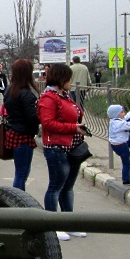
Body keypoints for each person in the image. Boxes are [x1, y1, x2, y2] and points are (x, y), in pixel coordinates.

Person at [36, 62, 87, 241]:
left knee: (67, 187)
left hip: (71, 147)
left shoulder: (63, 95)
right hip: (56, 147)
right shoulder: (48, 98)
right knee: (56, 187)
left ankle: (68, 223)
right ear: (61, 78)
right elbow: (47, 123)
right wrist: (73, 127)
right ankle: (52, 225)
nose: (71, 82)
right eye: (69, 78)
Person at [3, 59, 39, 191]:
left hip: (13, 132)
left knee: (20, 172)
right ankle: (18, 201)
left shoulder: (9, 91)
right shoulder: (26, 94)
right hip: (24, 135)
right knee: (22, 174)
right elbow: (32, 118)